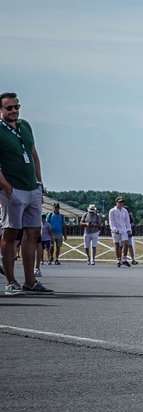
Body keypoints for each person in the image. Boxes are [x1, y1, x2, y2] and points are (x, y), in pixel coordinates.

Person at [0, 91, 52, 294]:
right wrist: (8, 188)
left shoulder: (25, 126)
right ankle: (11, 282)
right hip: (13, 189)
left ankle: (30, 281)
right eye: (9, 108)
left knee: (33, 232)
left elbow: (33, 153)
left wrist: (39, 182)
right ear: (1, 110)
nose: (14, 111)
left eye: (17, 107)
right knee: (11, 233)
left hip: (32, 188)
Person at [108, 197, 133, 267]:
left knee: (126, 243)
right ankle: (118, 259)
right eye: (119, 202)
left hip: (123, 229)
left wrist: (129, 230)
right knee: (117, 245)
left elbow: (127, 221)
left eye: (122, 202)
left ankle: (124, 259)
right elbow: (111, 221)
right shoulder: (112, 211)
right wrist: (114, 229)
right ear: (116, 202)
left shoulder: (125, 211)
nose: (121, 203)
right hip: (116, 229)